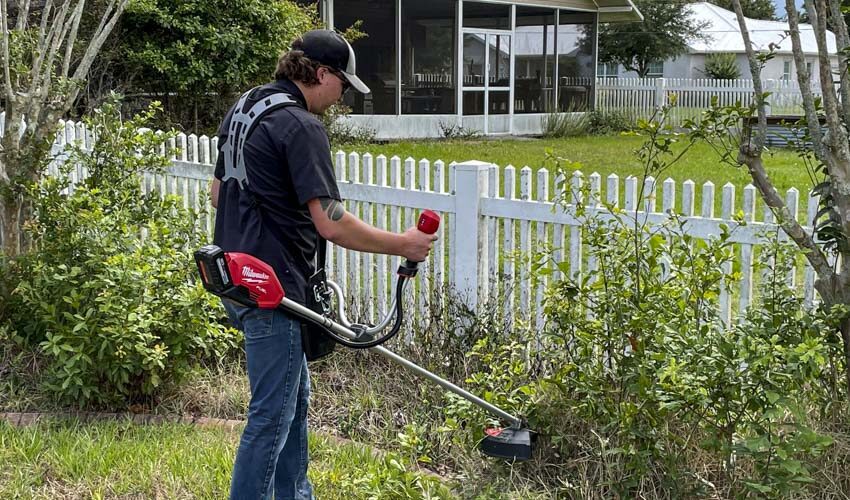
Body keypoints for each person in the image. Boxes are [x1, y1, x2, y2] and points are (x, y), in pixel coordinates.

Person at [210, 30, 437, 500]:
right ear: (320, 73)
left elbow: (218, 195)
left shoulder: (246, 108)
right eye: (343, 85)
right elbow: (331, 224)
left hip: (237, 279)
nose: (342, 97)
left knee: (294, 402)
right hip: (275, 288)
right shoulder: (300, 126)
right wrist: (405, 245)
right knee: (271, 417)